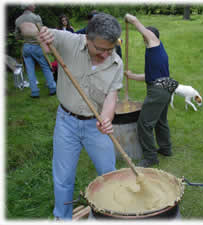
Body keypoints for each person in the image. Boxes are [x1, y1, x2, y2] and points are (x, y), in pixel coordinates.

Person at [38, 12, 123, 220]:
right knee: (63, 177)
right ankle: (63, 216)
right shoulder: (70, 41)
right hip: (66, 122)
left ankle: (107, 215)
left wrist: (106, 119)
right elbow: (33, 30)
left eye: (110, 49)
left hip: (95, 126)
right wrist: (43, 37)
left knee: (108, 174)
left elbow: (111, 97)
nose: (105, 54)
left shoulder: (116, 64)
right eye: (100, 49)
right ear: (87, 38)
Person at [124, 14, 178, 168]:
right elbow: (150, 77)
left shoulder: (154, 43)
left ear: (152, 36)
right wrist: (131, 76)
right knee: (161, 121)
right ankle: (166, 149)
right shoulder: (155, 52)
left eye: (146, 34)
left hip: (158, 91)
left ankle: (150, 157)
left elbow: (136, 22)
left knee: (144, 124)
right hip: (164, 88)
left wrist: (129, 18)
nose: (144, 37)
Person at [15, 4, 56, 98]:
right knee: (45, 67)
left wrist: (25, 36)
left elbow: (17, 36)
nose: (35, 5)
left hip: (26, 47)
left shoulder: (18, 20)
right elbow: (41, 31)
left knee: (30, 70)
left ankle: (34, 92)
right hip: (37, 46)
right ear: (29, 6)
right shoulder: (36, 17)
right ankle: (52, 88)